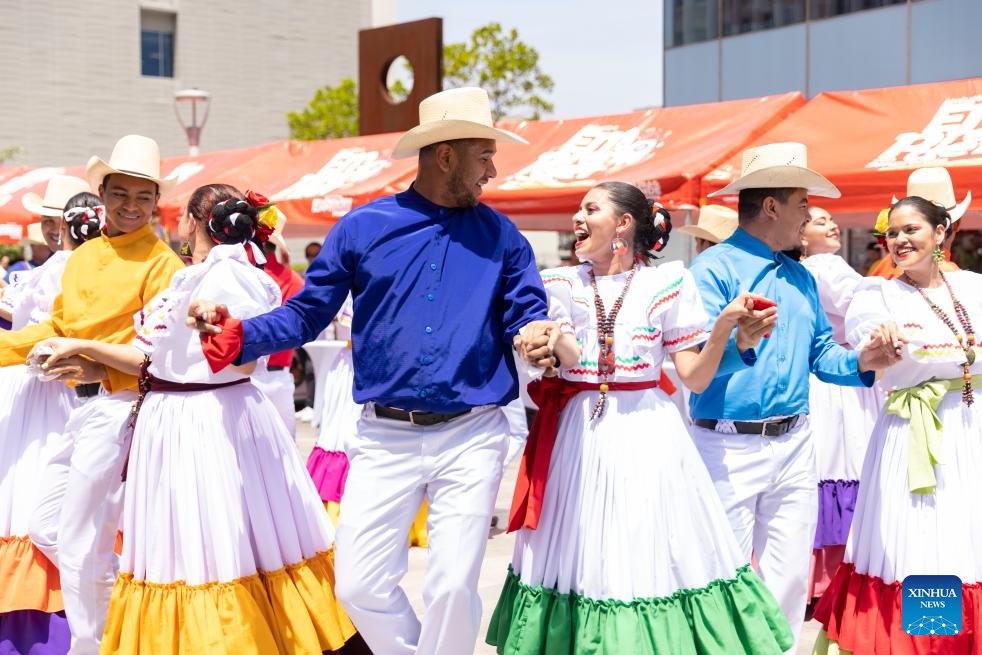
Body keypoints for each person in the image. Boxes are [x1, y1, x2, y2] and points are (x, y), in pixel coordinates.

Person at [186, 86, 555, 655]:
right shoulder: (362, 229)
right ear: (445, 154)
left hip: (473, 432)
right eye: (484, 154)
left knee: (454, 585)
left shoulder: (503, 236)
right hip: (384, 435)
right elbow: (308, 313)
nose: (493, 168)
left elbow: (527, 312)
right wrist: (242, 335)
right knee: (357, 585)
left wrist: (534, 335)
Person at [31, 185, 360, 653]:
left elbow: (241, 358)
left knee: (211, 550)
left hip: (207, 424)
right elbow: (150, 356)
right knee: (188, 550)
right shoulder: (200, 275)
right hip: (181, 418)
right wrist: (84, 351)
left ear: (190, 221)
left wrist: (217, 329)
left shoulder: (229, 275)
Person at [487, 182, 793, 654]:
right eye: (579, 210)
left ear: (624, 224)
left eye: (591, 209)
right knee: (583, 553)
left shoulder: (668, 282)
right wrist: (547, 338)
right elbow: (568, 351)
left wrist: (726, 331)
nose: (578, 219)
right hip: (580, 436)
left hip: (648, 436)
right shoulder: (561, 282)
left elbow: (692, 376)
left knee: (643, 553)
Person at [686, 142, 900, 647]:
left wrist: (863, 362)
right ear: (772, 206)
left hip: (796, 442)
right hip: (725, 445)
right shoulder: (712, 270)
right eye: (802, 203)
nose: (808, 214)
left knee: (787, 579)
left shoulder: (802, 277)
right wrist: (738, 342)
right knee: (724, 575)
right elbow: (693, 364)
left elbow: (824, 355)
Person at [0, 135, 185, 655]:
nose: (131, 205)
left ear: (156, 201)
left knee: (81, 539)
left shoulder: (163, 264)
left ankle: (96, 644)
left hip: (126, 411)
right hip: (80, 410)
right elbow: (55, 327)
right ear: (100, 194)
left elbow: (155, 357)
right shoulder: (85, 258)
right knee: (47, 527)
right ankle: (121, 626)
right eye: (120, 193)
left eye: (143, 196)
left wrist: (89, 357)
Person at [813, 196, 982, 653]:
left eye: (912, 229)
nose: (900, 240)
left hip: (970, 429)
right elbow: (869, 330)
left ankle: (959, 641)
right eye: (893, 232)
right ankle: (925, 641)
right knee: (920, 539)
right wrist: (880, 335)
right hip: (911, 432)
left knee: (965, 536)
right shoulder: (879, 294)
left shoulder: (975, 288)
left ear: (942, 231)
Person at [0, 190, 103, 654]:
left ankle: (63, 618)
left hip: (56, 388)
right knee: (27, 499)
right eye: (45, 218)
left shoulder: (69, 267)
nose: (49, 226)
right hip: (31, 386)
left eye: (56, 218)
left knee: (41, 503)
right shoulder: (46, 269)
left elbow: (51, 331)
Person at [795, 207, 881, 605]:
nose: (831, 225)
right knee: (846, 463)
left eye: (831, 219)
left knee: (828, 467)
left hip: (824, 378)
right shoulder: (825, 265)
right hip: (844, 377)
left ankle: (813, 579)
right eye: (818, 220)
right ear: (801, 234)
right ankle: (836, 579)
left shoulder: (804, 270)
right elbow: (861, 302)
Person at [869, 166, 970, 280]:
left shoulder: (884, 265)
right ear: (956, 224)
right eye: (893, 233)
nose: (900, 239)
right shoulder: (953, 277)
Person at [254, 230, 305, 435]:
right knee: (286, 454)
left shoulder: (248, 277)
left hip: (251, 376)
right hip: (281, 376)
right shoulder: (294, 279)